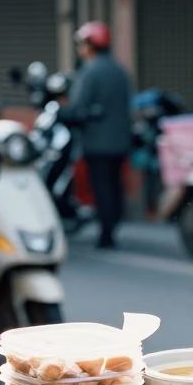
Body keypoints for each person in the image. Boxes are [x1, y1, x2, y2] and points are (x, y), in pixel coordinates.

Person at [62, 21, 133, 248]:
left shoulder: (89, 71)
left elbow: (77, 107)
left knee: (102, 187)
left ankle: (106, 235)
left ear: (90, 45)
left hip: (97, 142)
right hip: (120, 142)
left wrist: (66, 112)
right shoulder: (119, 71)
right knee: (114, 184)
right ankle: (112, 227)